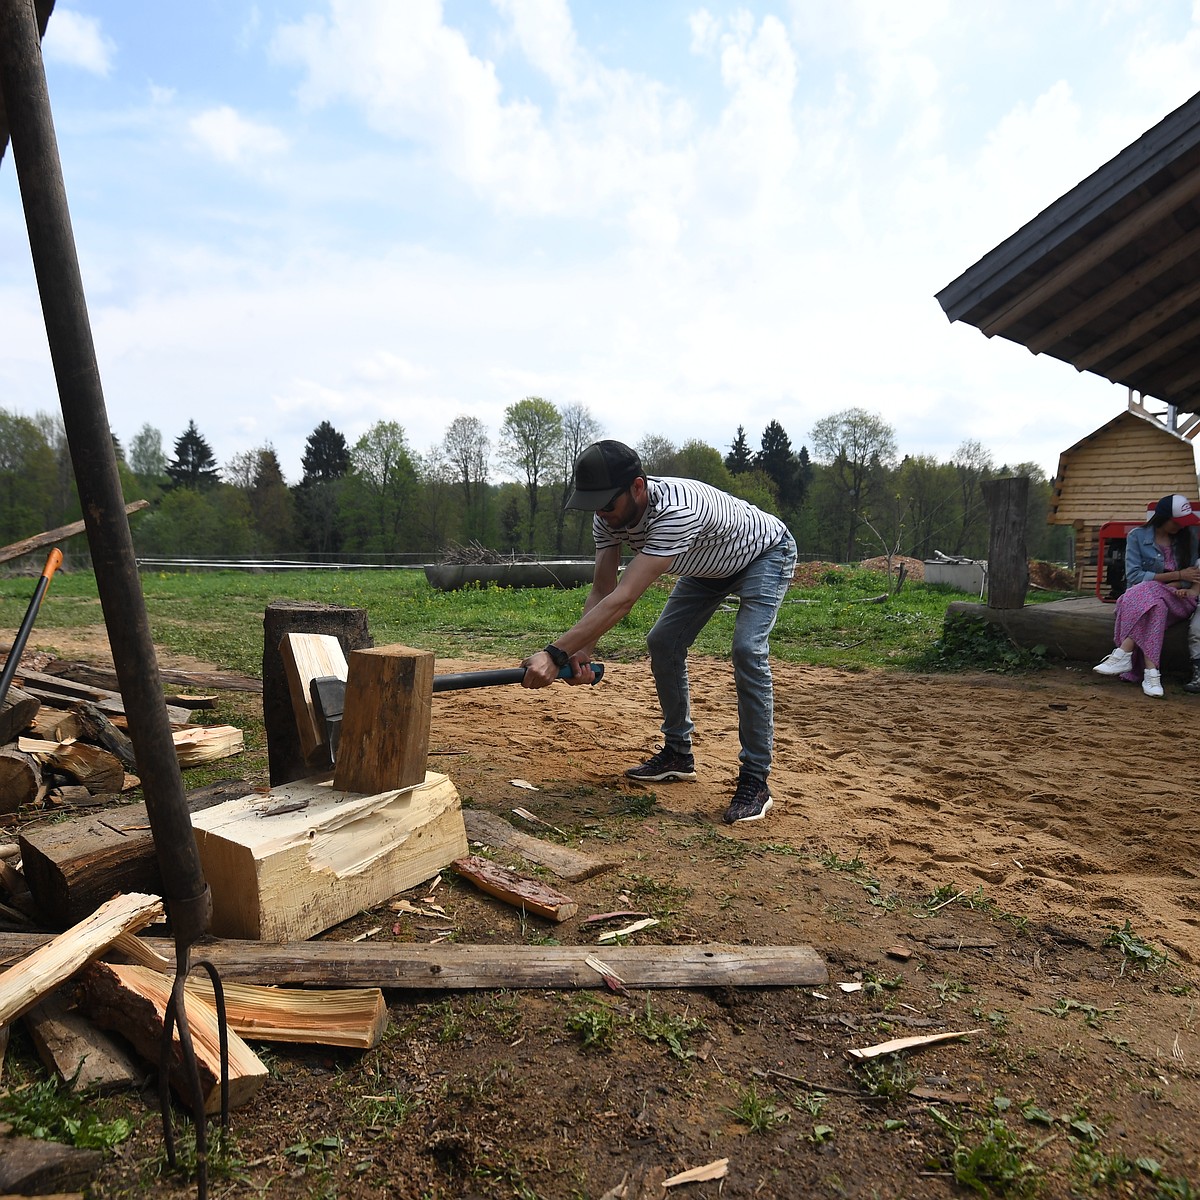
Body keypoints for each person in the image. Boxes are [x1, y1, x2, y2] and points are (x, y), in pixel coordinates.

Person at [521, 439, 797, 824]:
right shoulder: (608, 514)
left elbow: (625, 596)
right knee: (663, 642)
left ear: (637, 487)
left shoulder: (675, 512)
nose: (601, 514)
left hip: (763, 553)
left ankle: (755, 779)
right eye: (595, 505)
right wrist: (581, 649)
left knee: (747, 650)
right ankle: (678, 754)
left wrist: (556, 654)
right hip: (706, 565)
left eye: (607, 504)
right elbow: (602, 588)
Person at [1094, 494, 1200, 696]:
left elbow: (1191, 577)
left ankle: (1123, 653)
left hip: (1180, 598)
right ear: (1162, 518)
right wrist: (1177, 574)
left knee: (1141, 593)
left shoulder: (1189, 537)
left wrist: (1176, 582)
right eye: (1176, 522)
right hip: (1150, 599)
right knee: (1155, 606)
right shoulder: (1137, 536)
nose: (1181, 526)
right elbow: (1134, 576)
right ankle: (1152, 675)